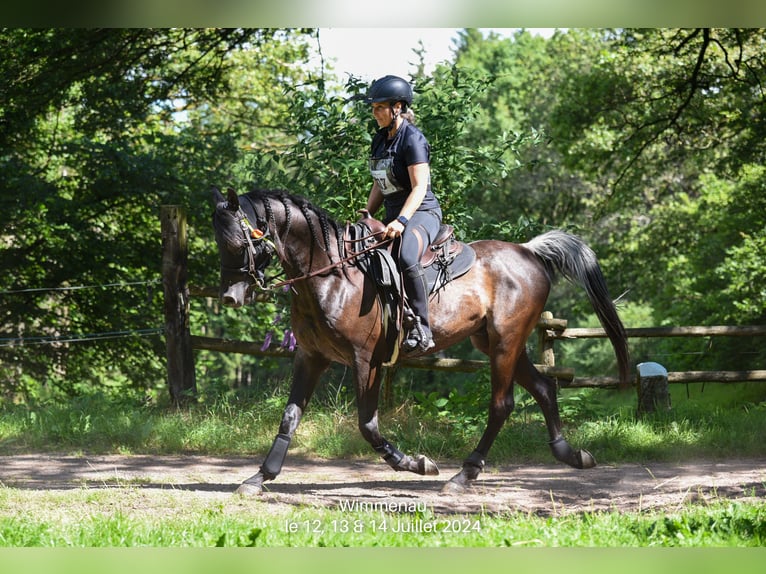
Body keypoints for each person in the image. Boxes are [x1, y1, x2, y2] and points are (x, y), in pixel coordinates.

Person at [362, 75, 442, 353]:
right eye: (372, 109)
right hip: (393, 214)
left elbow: (420, 188)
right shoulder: (380, 139)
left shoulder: (413, 139)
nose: (374, 114)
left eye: (378, 108)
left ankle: (422, 328)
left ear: (397, 107)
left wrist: (401, 221)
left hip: (422, 213)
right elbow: (379, 181)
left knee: (407, 255)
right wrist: (366, 213)